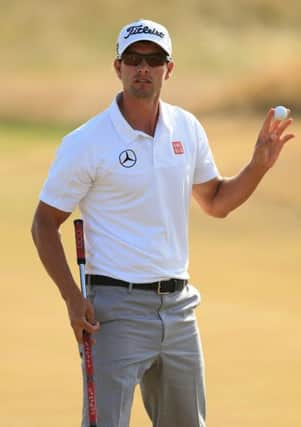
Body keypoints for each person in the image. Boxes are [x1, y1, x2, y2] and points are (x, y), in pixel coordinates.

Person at [31, 18, 295, 427]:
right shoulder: (87, 142)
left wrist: (258, 167)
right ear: (117, 67)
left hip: (179, 308)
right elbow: (44, 224)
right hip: (113, 311)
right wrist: (70, 297)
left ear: (168, 69)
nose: (143, 68)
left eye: (154, 60)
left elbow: (216, 201)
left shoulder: (186, 128)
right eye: (133, 58)